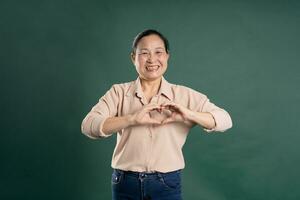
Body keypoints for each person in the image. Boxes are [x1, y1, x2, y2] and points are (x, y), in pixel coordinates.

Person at [81, 29, 233, 200]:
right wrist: (131, 119)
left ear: (167, 56)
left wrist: (190, 114)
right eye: (144, 53)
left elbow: (225, 120)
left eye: (158, 52)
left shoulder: (184, 95)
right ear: (133, 58)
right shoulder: (118, 92)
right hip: (125, 182)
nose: (152, 59)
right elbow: (88, 126)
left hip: (167, 183)